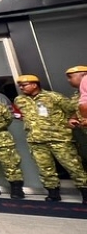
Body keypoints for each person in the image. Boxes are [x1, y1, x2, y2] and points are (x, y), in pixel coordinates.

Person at [14, 74, 87, 204]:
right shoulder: (19, 100)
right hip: (36, 140)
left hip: (59, 138)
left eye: (24, 85)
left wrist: (72, 120)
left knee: (74, 166)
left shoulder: (54, 97)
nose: (21, 87)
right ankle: (53, 193)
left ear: (34, 84)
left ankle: (85, 192)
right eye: (19, 85)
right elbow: (19, 114)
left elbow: (73, 109)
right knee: (45, 168)